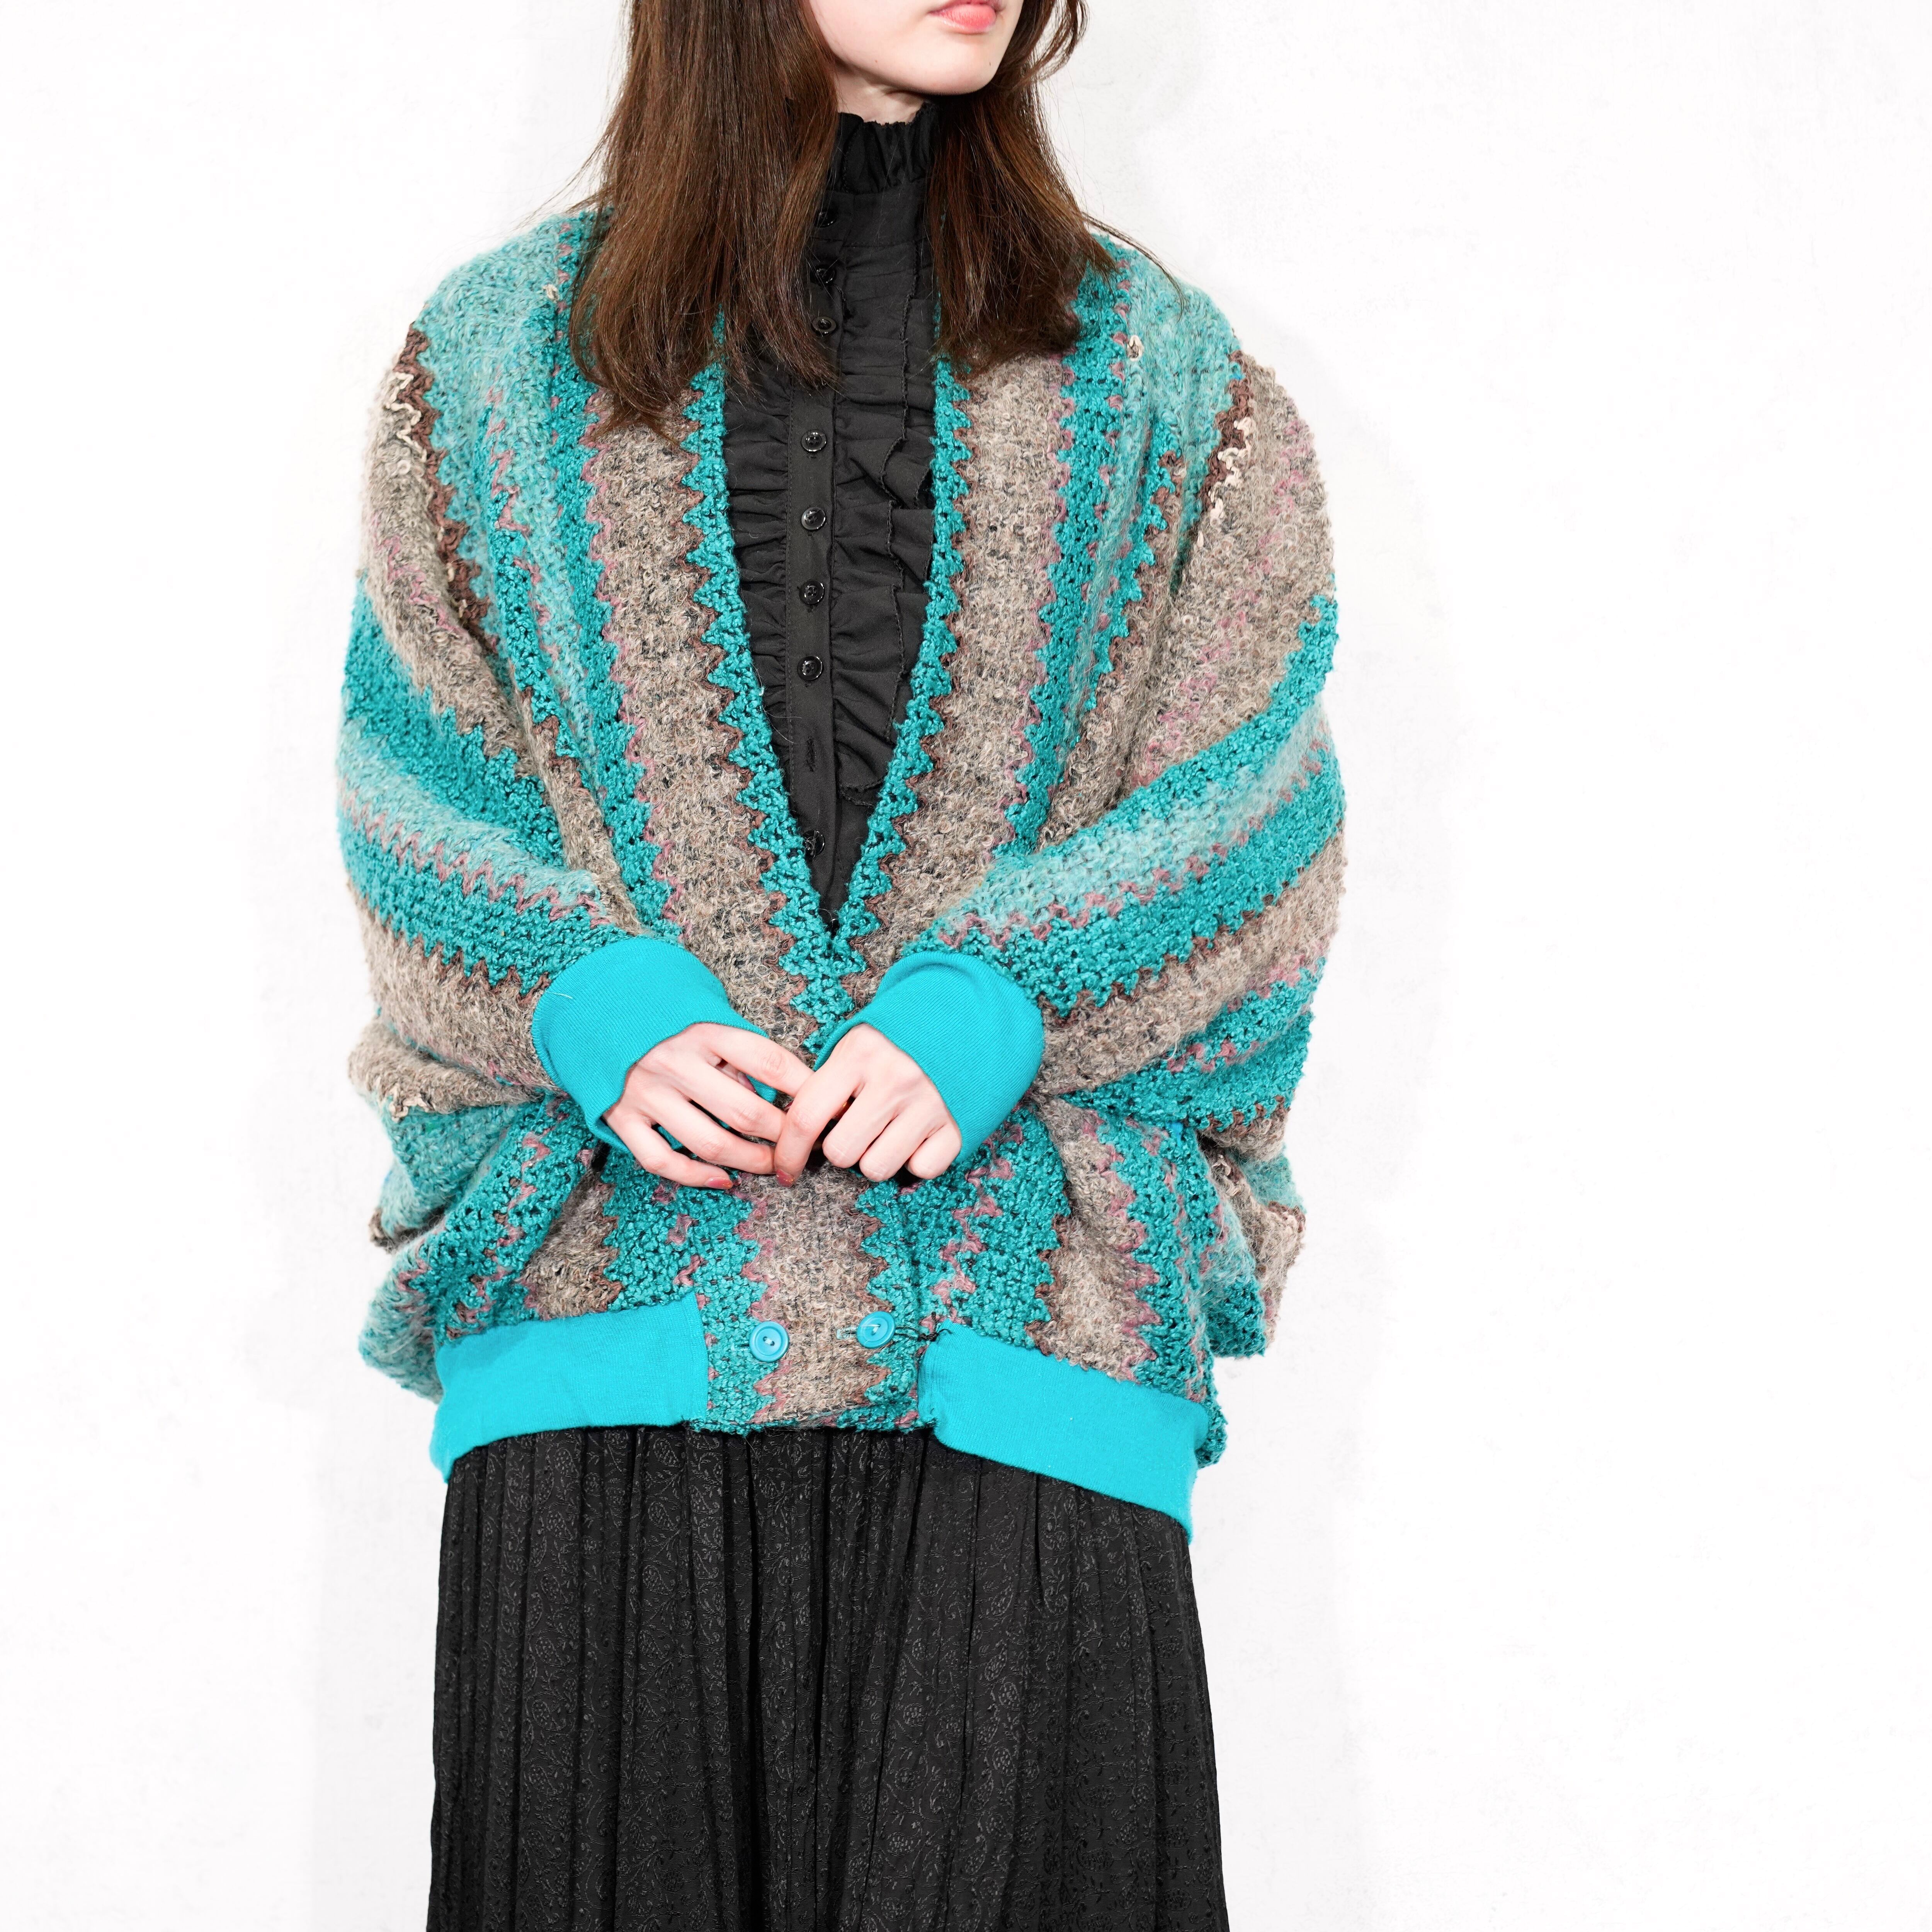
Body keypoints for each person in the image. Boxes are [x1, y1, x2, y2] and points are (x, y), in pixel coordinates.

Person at [338, 0, 1343, 1923]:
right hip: (606, 1329)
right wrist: (590, 997)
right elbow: (416, 774)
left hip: (1026, 1329)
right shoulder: (491, 362)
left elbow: (1252, 803)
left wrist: (1001, 998)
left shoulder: (1165, 380)